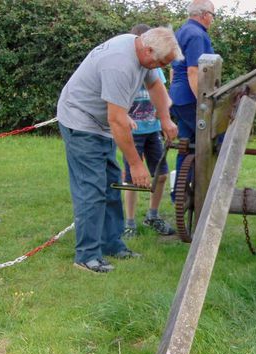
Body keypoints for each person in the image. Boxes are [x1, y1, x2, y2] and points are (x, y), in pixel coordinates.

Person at [57, 27, 183, 273]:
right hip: (80, 121)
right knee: (91, 188)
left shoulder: (140, 49)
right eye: (159, 61)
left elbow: (156, 85)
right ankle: (87, 256)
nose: (159, 66)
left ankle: (112, 245)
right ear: (148, 50)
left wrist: (166, 119)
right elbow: (117, 120)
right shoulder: (120, 65)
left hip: (99, 123)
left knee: (111, 184)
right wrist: (136, 165)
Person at [122, 24, 176, 238]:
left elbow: (164, 96)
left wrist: (165, 114)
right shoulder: (126, 67)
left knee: (161, 175)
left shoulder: (155, 68)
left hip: (152, 130)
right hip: (131, 132)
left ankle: (152, 216)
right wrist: (124, 116)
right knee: (132, 180)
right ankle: (130, 222)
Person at [169, 0, 216, 190]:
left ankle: (180, 192)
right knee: (216, 139)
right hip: (190, 99)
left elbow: (173, 69)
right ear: (204, 14)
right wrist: (204, 102)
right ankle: (208, 189)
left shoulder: (182, 31)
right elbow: (193, 72)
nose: (213, 19)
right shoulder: (196, 35)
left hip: (179, 97)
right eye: (213, 15)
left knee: (186, 145)